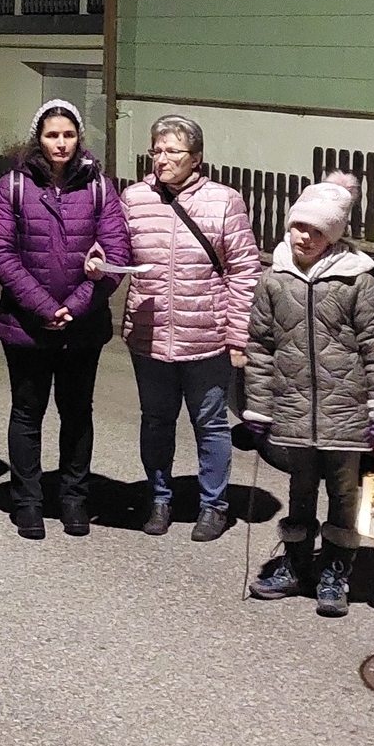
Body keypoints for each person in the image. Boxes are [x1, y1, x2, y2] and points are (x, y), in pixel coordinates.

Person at [243, 173, 374, 616]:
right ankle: (295, 563)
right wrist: (258, 406)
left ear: (332, 235)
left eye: (317, 230)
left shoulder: (357, 282)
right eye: (299, 226)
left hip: (346, 410)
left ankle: (335, 568)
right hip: (294, 408)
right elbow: (260, 346)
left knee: (344, 491)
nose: (305, 237)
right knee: (300, 486)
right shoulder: (274, 279)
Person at [0, 100, 131, 540]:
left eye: (68, 135)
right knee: (27, 413)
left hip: (82, 327)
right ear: (39, 138)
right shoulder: (13, 186)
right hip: (26, 325)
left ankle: (73, 499)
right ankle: (28, 502)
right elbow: (1, 252)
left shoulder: (100, 188)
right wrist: (45, 307)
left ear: (78, 138)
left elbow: (117, 254)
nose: (61, 143)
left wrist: (77, 305)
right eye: (52, 135)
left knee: (77, 413)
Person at [122, 114, 260, 540]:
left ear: (196, 158)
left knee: (211, 424)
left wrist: (237, 336)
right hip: (149, 334)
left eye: (173, 151)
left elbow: (245, 271)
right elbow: (116, 251)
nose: (162, 159)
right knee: (156, 421)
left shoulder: (224, 201)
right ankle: (159, 499)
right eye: (157, 150)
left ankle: (213, 505)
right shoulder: (134, 198)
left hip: (207, 336)